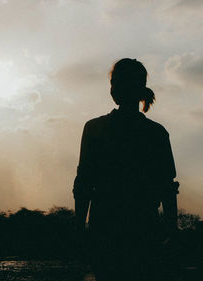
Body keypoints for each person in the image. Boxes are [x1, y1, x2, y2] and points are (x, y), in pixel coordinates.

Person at [73, 58, 178, 281]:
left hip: (106, 233)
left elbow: (83, 185)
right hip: (145, 234)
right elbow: (168, 189)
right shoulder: (156, 133)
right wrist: (170, 231)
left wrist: (79, 229)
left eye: (115, 82)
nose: (112, 87)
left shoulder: (95, 129)